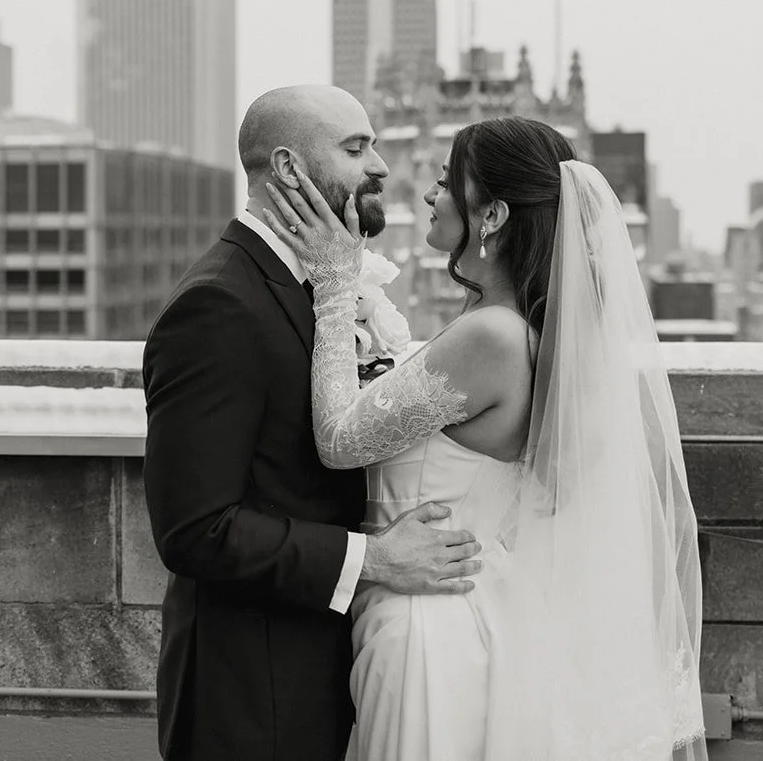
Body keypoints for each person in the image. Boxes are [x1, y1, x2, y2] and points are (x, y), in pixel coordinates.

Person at [262, 115, 707, 759]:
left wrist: (335, 283)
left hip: (426, 626)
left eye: (445, 183)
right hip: (457, 603)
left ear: (491, 214)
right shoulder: (516, 329)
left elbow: (337, 438)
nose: (429, 196)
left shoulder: (491, 337)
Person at [142, 85, 483, 761]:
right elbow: (195, 529)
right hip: (250, 696)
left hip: (323, 674)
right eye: (357, 148)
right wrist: (374, 557)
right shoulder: (219, 305)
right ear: (289, 168)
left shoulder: (319, 284)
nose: (382, 166)